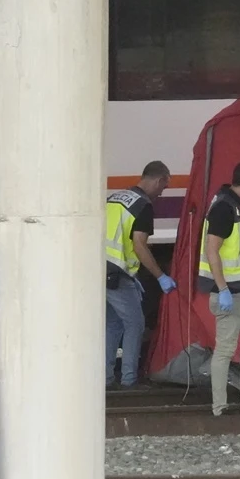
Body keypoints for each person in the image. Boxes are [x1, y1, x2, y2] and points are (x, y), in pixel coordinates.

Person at [199, 159, 240, 416]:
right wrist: (222, 288)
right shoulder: (224, 208)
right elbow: (212, 249)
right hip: (230, 292)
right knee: (225, 350)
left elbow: (236, 241)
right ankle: (220, 408)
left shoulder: (236, 205)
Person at [105, 161, 177, 388]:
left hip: (99, 268)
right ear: (159, 180)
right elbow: (139, 245)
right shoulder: (143, 206)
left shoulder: (115, 198)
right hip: (117, 272)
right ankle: (128, 380)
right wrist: (160, 276)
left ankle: (104, 378)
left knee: (113, 324)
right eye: (163, 188)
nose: (161, 193)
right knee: (135, 323)